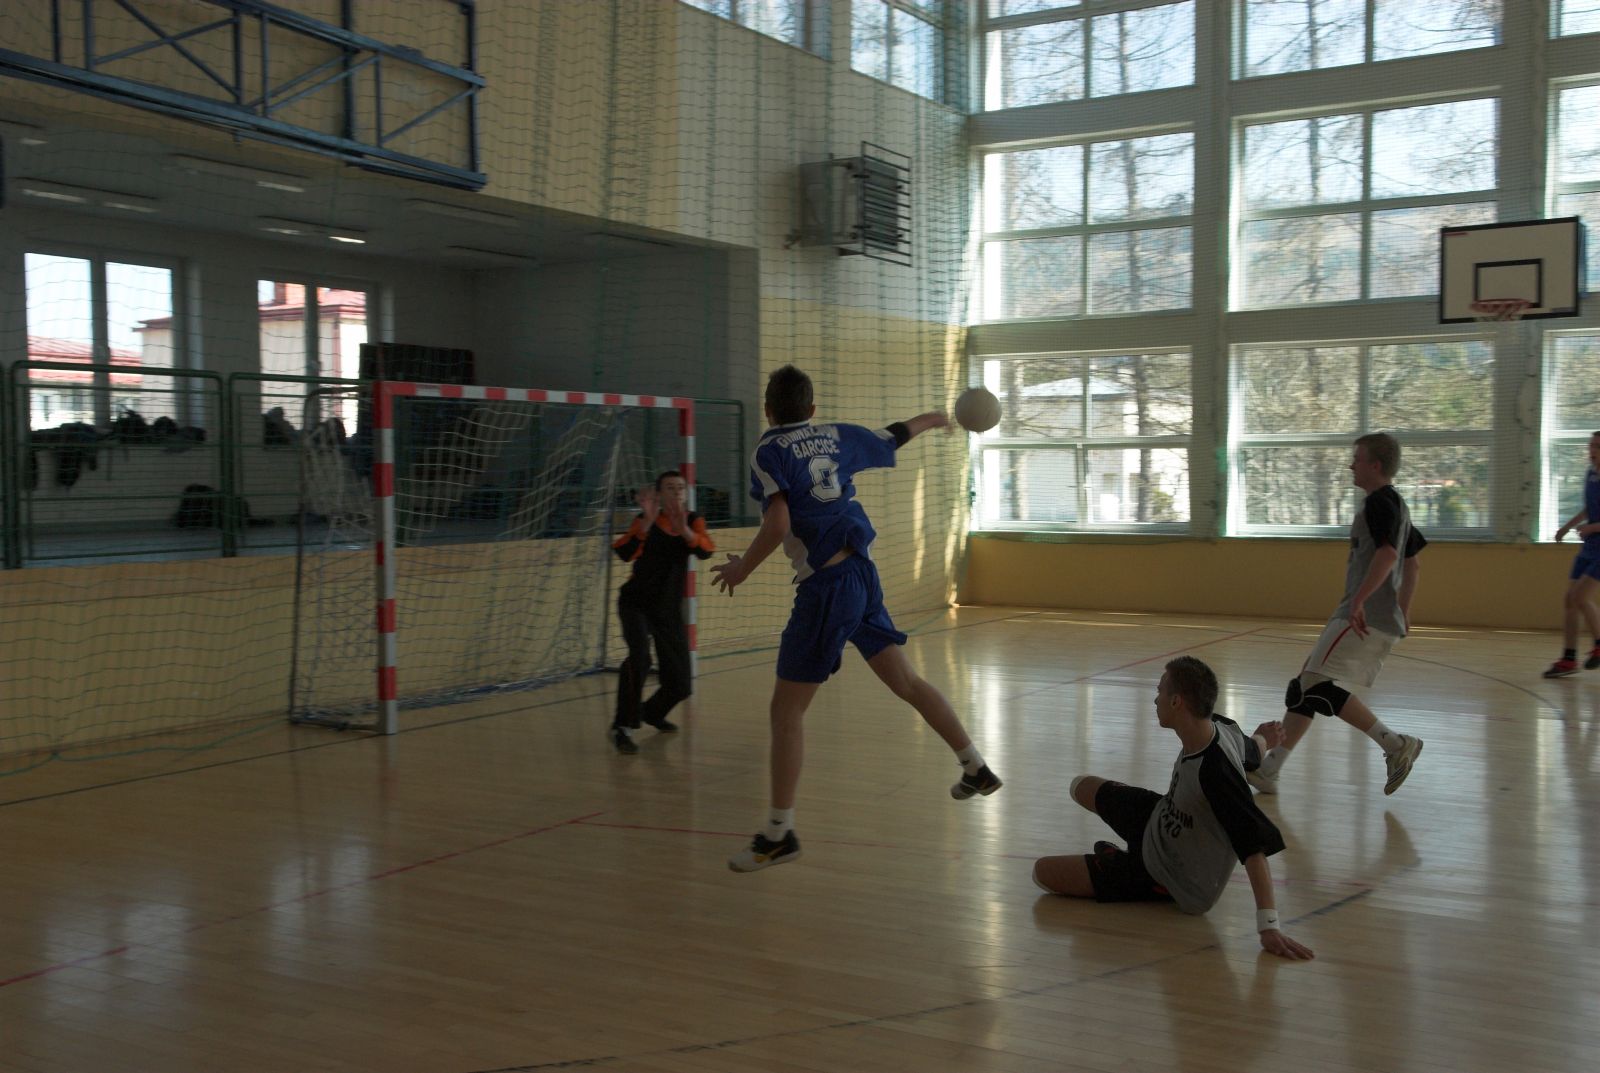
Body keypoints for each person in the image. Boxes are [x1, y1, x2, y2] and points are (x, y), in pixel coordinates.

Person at [711, 365, 1001, 872]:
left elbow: (778, 522)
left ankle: (778, 834)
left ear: (768, 409)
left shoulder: (768, 451)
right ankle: (974, 766)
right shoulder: (833, 435)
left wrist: (742, 568)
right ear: (812, 409)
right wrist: (933, 418)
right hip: (862, 576)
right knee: (907, 682)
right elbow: (891, 436)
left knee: (785, 714)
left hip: (826, 588)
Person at [1031, 656, 1315, 961]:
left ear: (1177, 701)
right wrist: (1264, 738)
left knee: (1042, 872)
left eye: (1160, 691)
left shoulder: (1216, 774)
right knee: (1080, 786)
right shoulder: (1221, 726)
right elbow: (1250, 751)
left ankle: (1133, 870)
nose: (1155, 699)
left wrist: (1268, 926)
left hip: (1170, 874)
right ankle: (1125, 849)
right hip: (1160, 817)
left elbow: (1253, 848)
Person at [1249, 432, 1425, 797]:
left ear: (1375, 465)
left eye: (1357, 459)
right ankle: (1269, 771)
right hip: (1374, 614)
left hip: (1362, 614)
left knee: (1313, 684)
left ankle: (1395, 745)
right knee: (1305, 686)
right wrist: (1403, 609)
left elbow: (1390, 555)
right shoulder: (1398, 505)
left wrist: (1359, 600)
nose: (1351, 465)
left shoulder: (1379, 503)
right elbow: (1413, 563)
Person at [608, 470, 715, 754]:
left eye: (680, 487)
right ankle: (622, 726)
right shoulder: (644, 520)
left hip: (667, 610)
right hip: (636, 603)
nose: (677, 491)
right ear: (658, 494)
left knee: (681, 682)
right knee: (640, 658)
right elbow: (624, 552)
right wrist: (646, 524)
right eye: (670, 487)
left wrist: (685, 531)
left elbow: (706, 551)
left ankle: (651, 712)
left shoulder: (692, 520)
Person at [1543, 431, 1600, 678]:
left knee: (1580, 596)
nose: (1592, 450)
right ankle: (1569, 658)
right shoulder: (1591, 474)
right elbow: (1589, 508)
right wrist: (1566, 527)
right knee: (1570, 599)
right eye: (1591, 445)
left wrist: (1592, 528)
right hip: (1590, 546)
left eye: (1597, 446)